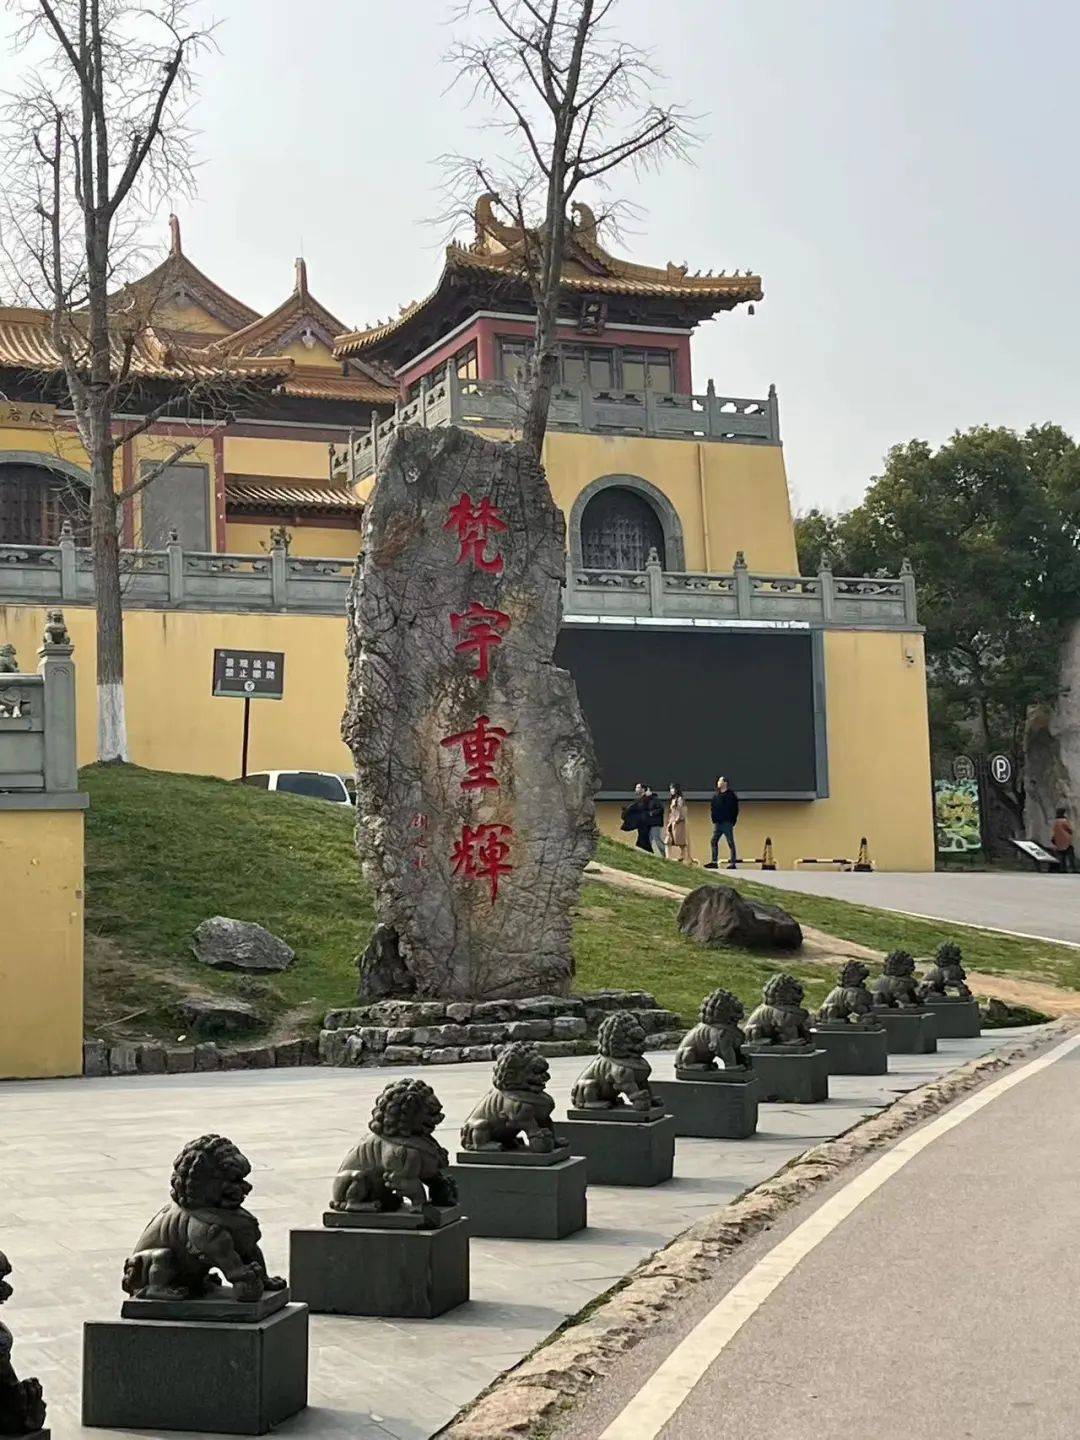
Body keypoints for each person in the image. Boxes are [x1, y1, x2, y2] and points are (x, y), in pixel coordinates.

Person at [705, 775, 739, 869]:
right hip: (718, 823)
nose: (718, 783)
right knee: (713, 840)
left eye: (720, 781)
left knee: (730, 842)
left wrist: (732, 820)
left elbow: (735, 809)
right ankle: (714, 862)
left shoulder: (731, 795)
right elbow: (713, 807)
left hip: (727, 822)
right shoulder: (716, 796)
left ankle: (733, 863)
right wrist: (714, 818)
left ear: (725, 783)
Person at [620, 783, 653, 852]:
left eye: (638, 787)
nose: (636, 789)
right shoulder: (641, 799)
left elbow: (640, 808)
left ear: (643, 789)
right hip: (642, 824)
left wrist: (629, 809)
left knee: (644, 841)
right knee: (642, 840)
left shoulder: (646, 799)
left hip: (645, 823)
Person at [665, 782, 689, 863]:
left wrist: (677, 819)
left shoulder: (680, 799)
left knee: (680, 841)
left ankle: (682, 856)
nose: (671, 790)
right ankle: (667, 857)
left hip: (678, 823)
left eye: (672, 788)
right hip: (671, 822)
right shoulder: (673, 800)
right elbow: (671, 812)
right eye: (670, 789)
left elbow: (681, 810)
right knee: (668, 840)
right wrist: (669, 821)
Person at [1051, 807, 1077, 873]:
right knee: (1070, 856)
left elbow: (1054, 831)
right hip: (1067, 841)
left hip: (1059, 841)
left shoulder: (1056, 822)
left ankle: (1062, 869)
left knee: (1061, 856)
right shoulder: (1064, 821)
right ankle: (1073, 868)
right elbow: (1070, 830)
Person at [643, 786, 665, 856]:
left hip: (655, 823)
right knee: (648, 840)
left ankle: (666, 854)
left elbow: (661, 809)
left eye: (645, 791)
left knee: (657, 840)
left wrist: (652, 813)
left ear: (649, 790)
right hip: (648, 824)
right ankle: (647, 856)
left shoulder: (655, 799)